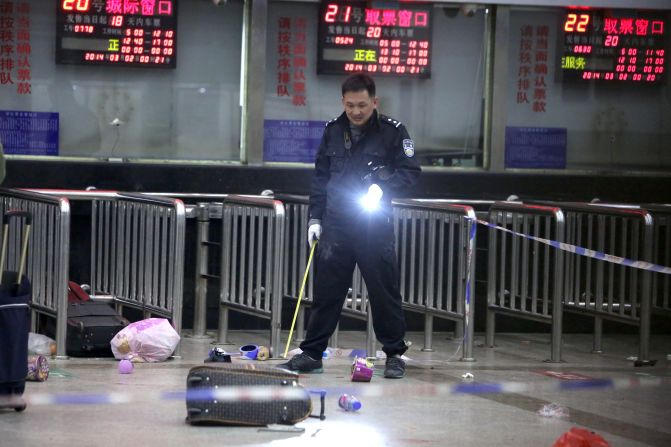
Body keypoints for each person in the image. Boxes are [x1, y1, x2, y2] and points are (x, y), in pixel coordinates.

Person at [279, 73, 421, 378]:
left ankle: (394, 354)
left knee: (383, 291)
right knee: (327, 291)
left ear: (374, 101)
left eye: (362, 105)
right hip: (337, 225)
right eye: (350, 105)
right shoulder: (333, 130)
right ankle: (312, 353)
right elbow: (321, 178)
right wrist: (315, 218)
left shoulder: (393, 132)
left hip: (373, 225)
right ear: (343, 102)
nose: (356, 111)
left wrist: (384, 188)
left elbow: (411, 172)